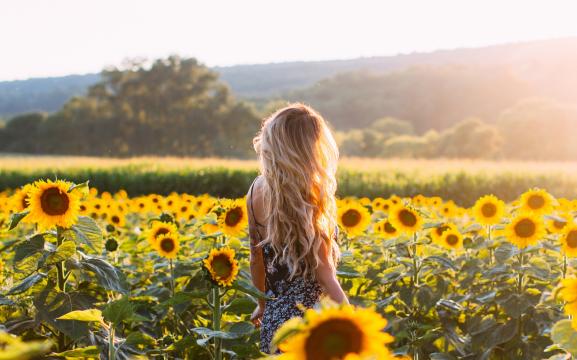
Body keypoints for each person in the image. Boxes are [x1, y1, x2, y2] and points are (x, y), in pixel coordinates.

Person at [246, 103, 349, 354]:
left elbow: (255, 258)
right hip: (311, 323)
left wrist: (262, 304)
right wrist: (352, 321)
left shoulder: (254, 191)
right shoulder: (309, 198)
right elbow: (325, 276)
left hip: (276, 326)